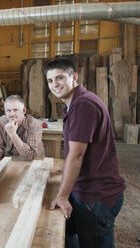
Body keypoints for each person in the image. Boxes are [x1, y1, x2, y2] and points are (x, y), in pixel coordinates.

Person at [45, 58, 125, 248]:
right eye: (50, 81)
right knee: (66, 232)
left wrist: (63, 195)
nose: (54, 85)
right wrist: (64, 169)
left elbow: (77, 154)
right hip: (86, 190)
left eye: (60, 78)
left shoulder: (83, 105)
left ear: (74, 76)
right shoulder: (73, 103)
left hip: (95, 195)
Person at [0, 95, 44, 165]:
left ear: (24, 110)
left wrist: (13, 134)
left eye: (15, 110)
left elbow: (31, 156)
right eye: (8, 111)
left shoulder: (34, 124)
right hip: (11, 159)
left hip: (34, 161)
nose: (12, 114)